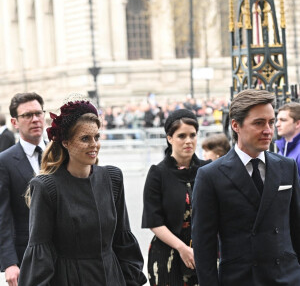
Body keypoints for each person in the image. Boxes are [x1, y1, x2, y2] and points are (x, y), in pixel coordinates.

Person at [18, 98, 147, 286]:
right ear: (66, 143)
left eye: (97, 137)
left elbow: (122, 239)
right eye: (85, 138)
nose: (94, 144)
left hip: (112, 278)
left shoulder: (112, 178)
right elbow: (40, 253)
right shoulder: (46, 186)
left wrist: (130, 281)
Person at [192, 89, 300, 286]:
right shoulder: (210, 175)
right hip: (240, 279)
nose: (268, 130)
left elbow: (296, 227)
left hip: (287, 277)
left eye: (271, 122)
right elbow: (203, 245)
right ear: (236, 125)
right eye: (259, 123)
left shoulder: (287, 166)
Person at [142, 109, 210, 286]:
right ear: (169, 138)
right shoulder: (157, 173)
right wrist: (182, 248)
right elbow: (154, 220)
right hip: (168, 253)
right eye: (181, 136)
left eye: (192, 135)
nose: (188, 141)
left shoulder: (208, 170)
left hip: (205, 252)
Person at [0, 92, 46, 286]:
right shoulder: (5, 161)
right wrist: (9, 262)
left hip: (64, 254)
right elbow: (3, 215)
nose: (35, 119)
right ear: (15, 122)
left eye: (38, 113)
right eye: (27, 115)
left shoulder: (61, 154)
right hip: (27, 256)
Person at [275, 102, 300, 178]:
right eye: (277, 120)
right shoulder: (281, 150)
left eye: (283, 120)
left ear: (297, 123)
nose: (277, 124)